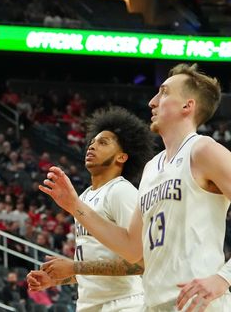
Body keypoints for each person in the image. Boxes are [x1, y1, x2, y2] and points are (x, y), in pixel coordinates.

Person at [40, 64, 231, 310]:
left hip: (200, 304)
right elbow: (131, 248)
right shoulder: (152, 168)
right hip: (154, 305)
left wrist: (224, 277)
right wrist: (75, 206)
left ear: (187, 106)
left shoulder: (203, 150)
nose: (152, 102)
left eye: (163, 93)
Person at [27, 106, 154, 311]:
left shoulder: (122, 191)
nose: (91, 147)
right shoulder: (85, 196)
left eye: (103, 142)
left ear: (122, 157)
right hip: (89, 304)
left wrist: (74, 266)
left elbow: (140, 263)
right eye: (91, 142)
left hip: (125, 304)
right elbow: (98, 265)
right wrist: (56, 280)